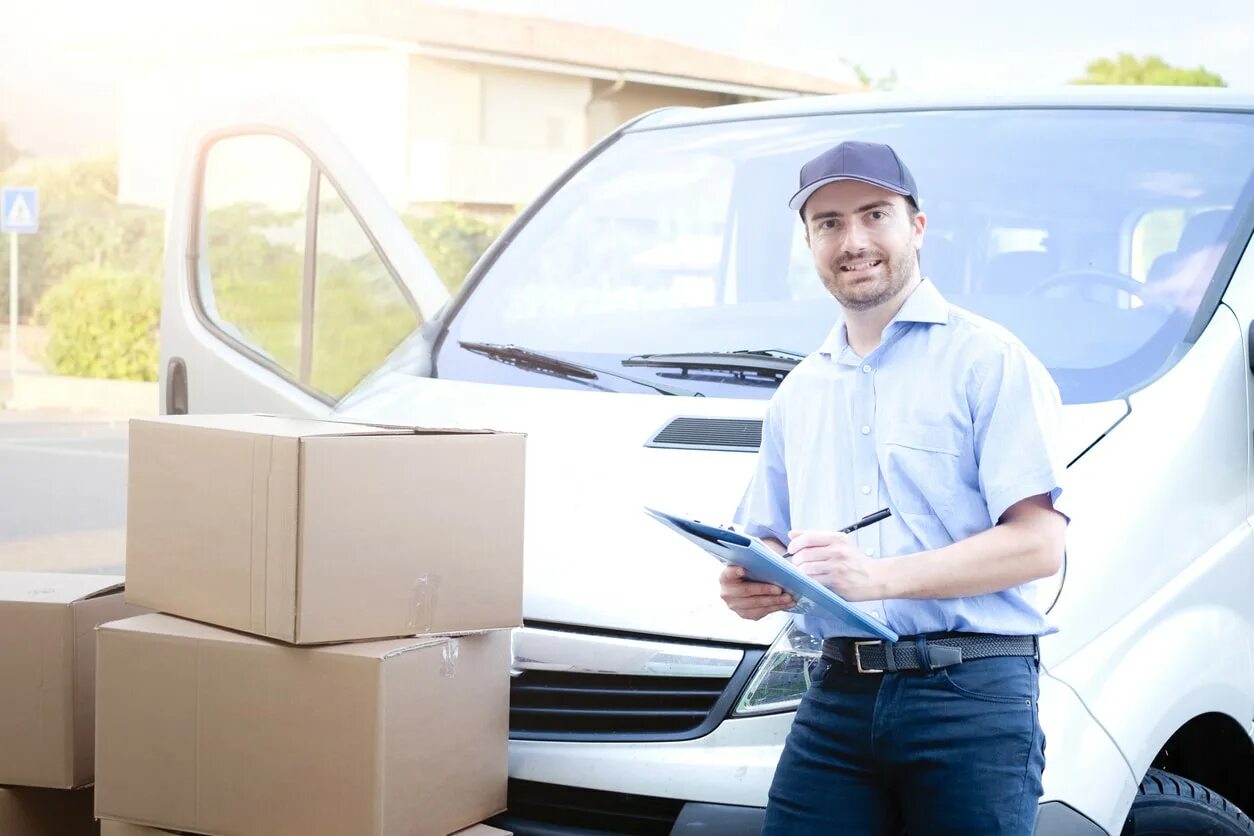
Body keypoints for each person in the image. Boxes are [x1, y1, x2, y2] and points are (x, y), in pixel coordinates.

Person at [722, 140, 1068, 835]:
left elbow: (1038, 546)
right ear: (811, 242)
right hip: (836, 695)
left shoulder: (989, 360)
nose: (852, 241)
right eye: (828, 223)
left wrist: (875, 578)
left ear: (916, 226)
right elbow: (768, 535)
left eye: (874, 214)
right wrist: (750, 581)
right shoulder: (800, 390)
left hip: (969, 694)